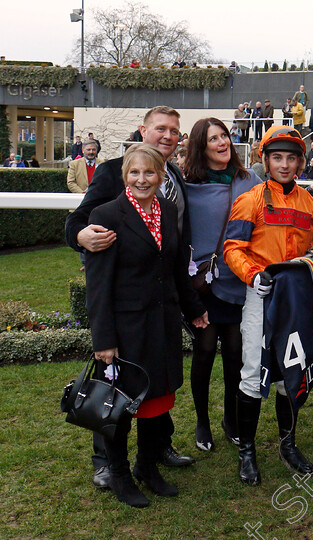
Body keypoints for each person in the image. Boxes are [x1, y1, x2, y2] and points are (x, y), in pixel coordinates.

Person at [65, 106, 198, 489]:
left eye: (174, 130)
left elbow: (173, 250)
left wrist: (190, 306)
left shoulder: (174, 181)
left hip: (161, 307)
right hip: (126, 310)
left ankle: (155, 453)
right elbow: (79, 221)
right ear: (143, 130)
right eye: (160, 128)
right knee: (119, 392)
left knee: (156, 386)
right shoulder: (111, 173)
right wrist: (81, 237)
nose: (168, 135)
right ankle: (108, 464)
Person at [86, 143, 209, 508]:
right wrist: (104, 339)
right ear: (125, 175)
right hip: (125, 328)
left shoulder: (168, 211)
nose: (142, 179)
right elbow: (98, 283)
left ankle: (146, 466)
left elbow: (175, 270)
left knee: (158, 398)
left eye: (149, 172)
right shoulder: (107, 214)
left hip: (162, 322)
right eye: (134, 172)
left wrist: (194, 309)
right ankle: (120, 473)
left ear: (161, 176)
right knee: (122, 405)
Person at [223, 126, 313, 485]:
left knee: (292, 373)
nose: (285, 165)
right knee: (253, 374)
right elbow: (232, 248)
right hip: (261, 297)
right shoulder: (250, 200)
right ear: (265, 160)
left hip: (299, 303)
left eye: (291, 158)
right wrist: (253, 275)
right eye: (277, 158)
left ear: (301, 162)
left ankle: (288, 445)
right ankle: (247, 452)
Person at [182, 118, 262, 453]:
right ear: (201, 146)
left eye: (225, 136)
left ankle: (231, 419)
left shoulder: (250, 180)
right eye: (213, 138)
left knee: (234, 355)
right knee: (203, 351)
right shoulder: (186, 185)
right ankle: (202, 420)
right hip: (202, 285)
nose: (222, 142)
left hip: (238, 280)